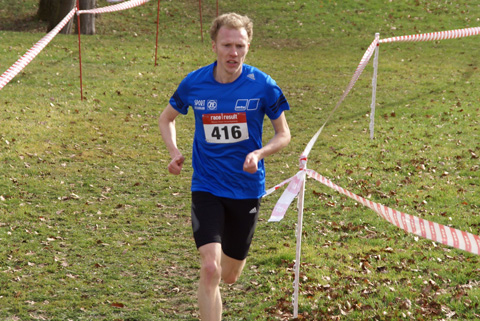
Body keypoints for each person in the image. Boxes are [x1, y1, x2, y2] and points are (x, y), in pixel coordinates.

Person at [158, 12, 291, 320]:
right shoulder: (195, 83)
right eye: (227, 45)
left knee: (229, 275)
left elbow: (283, 134)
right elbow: (166, 118)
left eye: (240, 46)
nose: (233, 53)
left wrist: (259, 153)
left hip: (246, 188)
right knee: (210, 268)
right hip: (206, 185)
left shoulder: (262, 85)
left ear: (249, 46)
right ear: (214, 46)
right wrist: (174, 151)